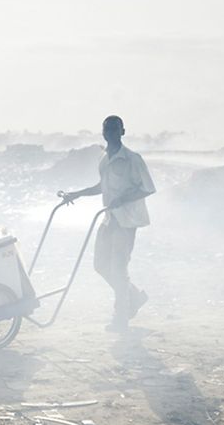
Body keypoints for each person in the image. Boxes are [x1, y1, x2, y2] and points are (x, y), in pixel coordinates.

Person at [61, 115, 156, 332]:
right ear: (103, 133)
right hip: (109, 218)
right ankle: (133, 296)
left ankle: (120, 317)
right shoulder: (104, 160)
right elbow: (101, 187)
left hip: (126, 221)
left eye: (115, 129)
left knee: (118, 269)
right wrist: (77, 194)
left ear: (122, 132)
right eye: (107, 129)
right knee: (100, 266)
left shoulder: (133, 159)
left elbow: (148, 188)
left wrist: (124, 198)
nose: (111, 133)